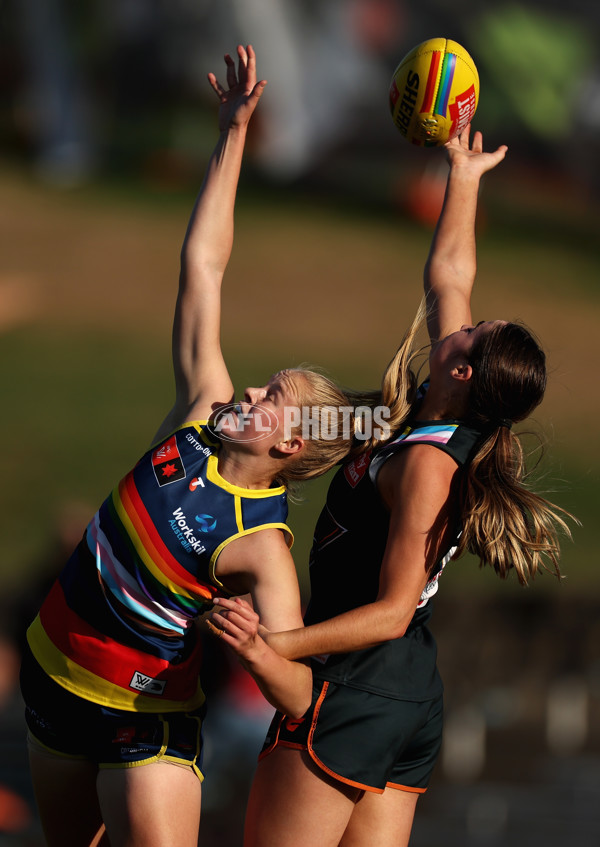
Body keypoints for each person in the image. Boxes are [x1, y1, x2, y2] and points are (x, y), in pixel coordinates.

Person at [18, 45, 361, 847]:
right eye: (262, 385)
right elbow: (203, 267)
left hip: (145, 722)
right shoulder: (200, 418)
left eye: (270, 399)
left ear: (290, 448)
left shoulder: (262, 547)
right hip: (51, 675)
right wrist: (233, 132)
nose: (247, 393)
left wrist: (258, 650)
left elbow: (298, 694)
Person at [210, 125, 575, 847]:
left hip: (360, 684)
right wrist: (464, 177)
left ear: (463, 370)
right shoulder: (432, 412)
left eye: (474, 333)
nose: (465, 319)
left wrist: (280, 644)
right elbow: (450, 275)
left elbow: (391, 610)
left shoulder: (425, 467)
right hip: (407, 696)